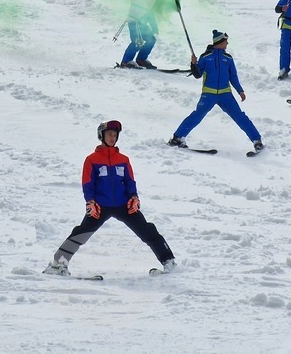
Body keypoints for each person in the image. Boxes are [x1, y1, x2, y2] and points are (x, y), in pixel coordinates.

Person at [44, 120, 175, 276]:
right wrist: (90, 202)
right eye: (109, 134)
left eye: (115, 135)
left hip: (124, 205)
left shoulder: (123, 159)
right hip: (100, 206)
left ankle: (169, 261)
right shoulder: (92, 159)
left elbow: (129, 181)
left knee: (147, 230)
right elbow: (88, 183)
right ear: (102, 136)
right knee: (81, 232)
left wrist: (134, 197)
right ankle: (58, 264)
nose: (112, 138)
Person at [168, 30, 263, 151]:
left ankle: (257, 140)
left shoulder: (227, 58)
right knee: (197, 116)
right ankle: (178, 137)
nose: (227, 44)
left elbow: (233, 76)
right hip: (209, 94)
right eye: (225, 42)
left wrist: (240, 90)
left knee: (239, 116)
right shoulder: (205, 57)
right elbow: (197, 74)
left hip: (225, 95)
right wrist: (193, 64)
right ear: (219, 42)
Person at [118, 0, 167, 69]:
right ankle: (126, 62)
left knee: (151, 39)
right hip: (134, 22)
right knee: (137, 42)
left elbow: (150, 14)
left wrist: (154, 28)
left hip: (142, 24)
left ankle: (141, 59)